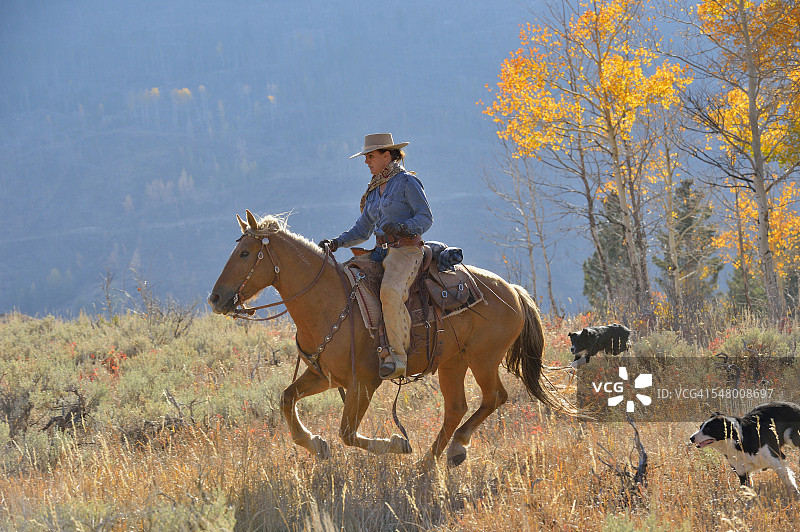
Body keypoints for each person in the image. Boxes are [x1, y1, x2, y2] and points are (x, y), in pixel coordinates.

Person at [319, 133, 433, 380]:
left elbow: (425, 218)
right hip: (380, 252)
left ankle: (399, 358)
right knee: (344, 280)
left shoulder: (407, 182)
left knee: (390, 292)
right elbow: (362, 230)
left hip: (406, 250)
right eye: (366, 157)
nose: (366, 161)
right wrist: (337, 242)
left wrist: (404, 228)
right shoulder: (372, 191)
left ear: (387, 155)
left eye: (370, 156)